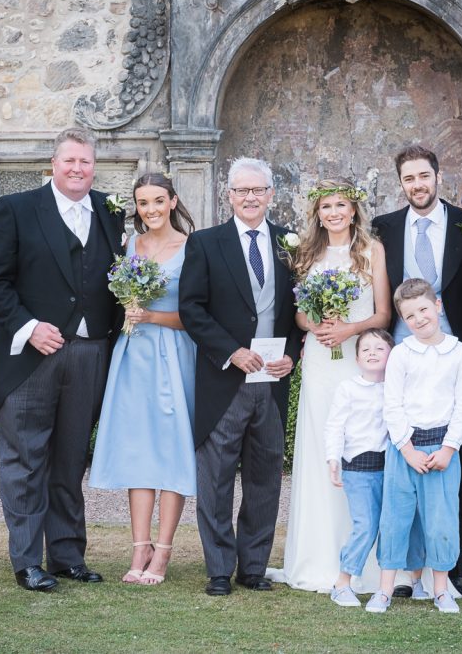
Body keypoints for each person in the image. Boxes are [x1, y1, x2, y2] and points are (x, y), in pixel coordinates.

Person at [0, 127, 125, 591]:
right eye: (69, 162)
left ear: (94, 165)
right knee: (24, 460)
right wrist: (29, 327)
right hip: (30, 359)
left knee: (69, 460)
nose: (77, 169)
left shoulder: (110, 210)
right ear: (53, 165)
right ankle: (26, 561)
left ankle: (66, 555)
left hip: (89, 353)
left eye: (85, 162)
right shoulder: (16, 210)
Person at [178, 157, 302, 597]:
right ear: (228, 195)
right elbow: (191, 308)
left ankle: (253, 567)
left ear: (271, 194)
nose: (250, 198)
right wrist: (230, 351)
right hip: (225, 380)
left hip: (272, 380)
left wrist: (293, 354)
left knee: (266, 477)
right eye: (242, 191)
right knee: (214, 478)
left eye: (259, 190)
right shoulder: (206, 243)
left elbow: (299, 310)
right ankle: (218, 568)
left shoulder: (291, 242)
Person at [372, 145, 462, 597]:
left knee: (451, 468)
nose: (417, 185)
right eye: (409, 179)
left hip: (456, 350)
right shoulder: (386, 228)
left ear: (438, 175)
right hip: (403, 350)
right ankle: (406, 572)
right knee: (400, 468)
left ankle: (447, 572)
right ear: (402, 183)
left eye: (424, 176)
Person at [281, 179, 391, 593]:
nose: (333, 212)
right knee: (318, 451)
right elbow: (297, 317)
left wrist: (348, 329)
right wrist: (317, 324)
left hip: (356, 361)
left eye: (340, 204)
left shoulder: (372, 251)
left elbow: (382, 315)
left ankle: (362, 560)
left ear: (353, 210)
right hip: (320, 365)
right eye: (326, 206)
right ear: (317, 213)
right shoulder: (307, 254)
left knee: (360, 447)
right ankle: (315, 556)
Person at [88, 172, 197, 585]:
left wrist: (152, 316)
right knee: (137, 449)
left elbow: (197, 315)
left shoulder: (191, 248)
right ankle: (139, 546)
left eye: (157, 201)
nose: (150, 210)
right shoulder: (128, 247)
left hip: (174, 352)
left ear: (172, 201)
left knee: (171, 448)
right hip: (133, 356)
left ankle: (164, 550)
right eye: (143, 203)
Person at [366, 279, 462, 614]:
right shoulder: (400, 354)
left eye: (424, 309)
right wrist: (407, 448)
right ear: (403, 319)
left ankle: (441, 589)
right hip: (405, 451)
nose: (419, 319)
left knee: (441, 521)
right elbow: (392, 405)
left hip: (443, 450)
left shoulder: (459, 353)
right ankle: (385, 589)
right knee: (395, 519)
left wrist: (449, 448)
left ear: (438, 306)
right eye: (410, 315)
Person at [324, 328, 395, 608]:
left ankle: (398, 583)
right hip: (358, 469)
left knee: (390, 526)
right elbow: (335, 426)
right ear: (356, 359)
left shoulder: (396, 387)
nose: (372, 354)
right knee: (365, 526)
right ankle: (342, 583)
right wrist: (333, 459)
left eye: (379, 348)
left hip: (390, 469)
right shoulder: (349, 388)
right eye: (365, 349)